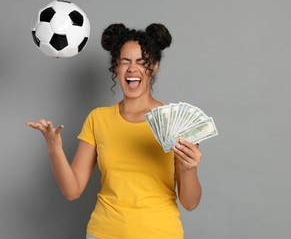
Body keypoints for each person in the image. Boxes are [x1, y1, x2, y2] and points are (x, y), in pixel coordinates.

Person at [27, 23, 203, 239]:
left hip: (160, 232)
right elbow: (72, 190)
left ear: (154, 67)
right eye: (125, 61)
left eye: (141, 62)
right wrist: (55, 149)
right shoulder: (98, 119)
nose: (132, 69)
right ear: (115, 67)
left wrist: (188, 169)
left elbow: (190, 202)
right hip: (103, 233)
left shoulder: (177, 121)